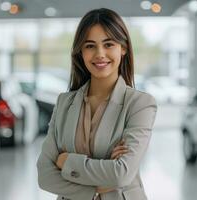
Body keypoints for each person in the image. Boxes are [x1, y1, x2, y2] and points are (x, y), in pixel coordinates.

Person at [37, 8, 157, 200]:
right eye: (90, 46)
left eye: (108, 44)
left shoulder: (140, 104)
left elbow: (121, 173)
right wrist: (95, 186)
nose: (100, 54)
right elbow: (44, 176)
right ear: (81, 52)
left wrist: (66, 161)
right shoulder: (64, 103)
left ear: (123, 48)